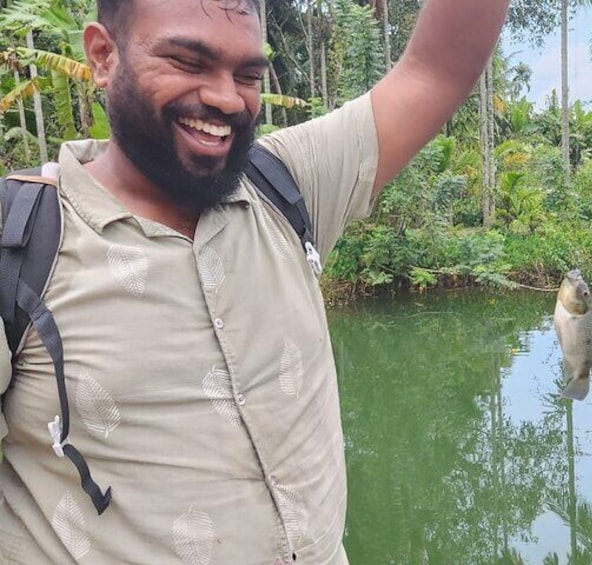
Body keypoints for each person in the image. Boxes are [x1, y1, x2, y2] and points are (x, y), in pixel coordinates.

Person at [0, 0, 509, 562]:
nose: (225, 97)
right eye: (188, 61)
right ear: (103, 55)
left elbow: (436, 70)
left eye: (247, 75)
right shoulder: (21, 243)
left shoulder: (286, 184)